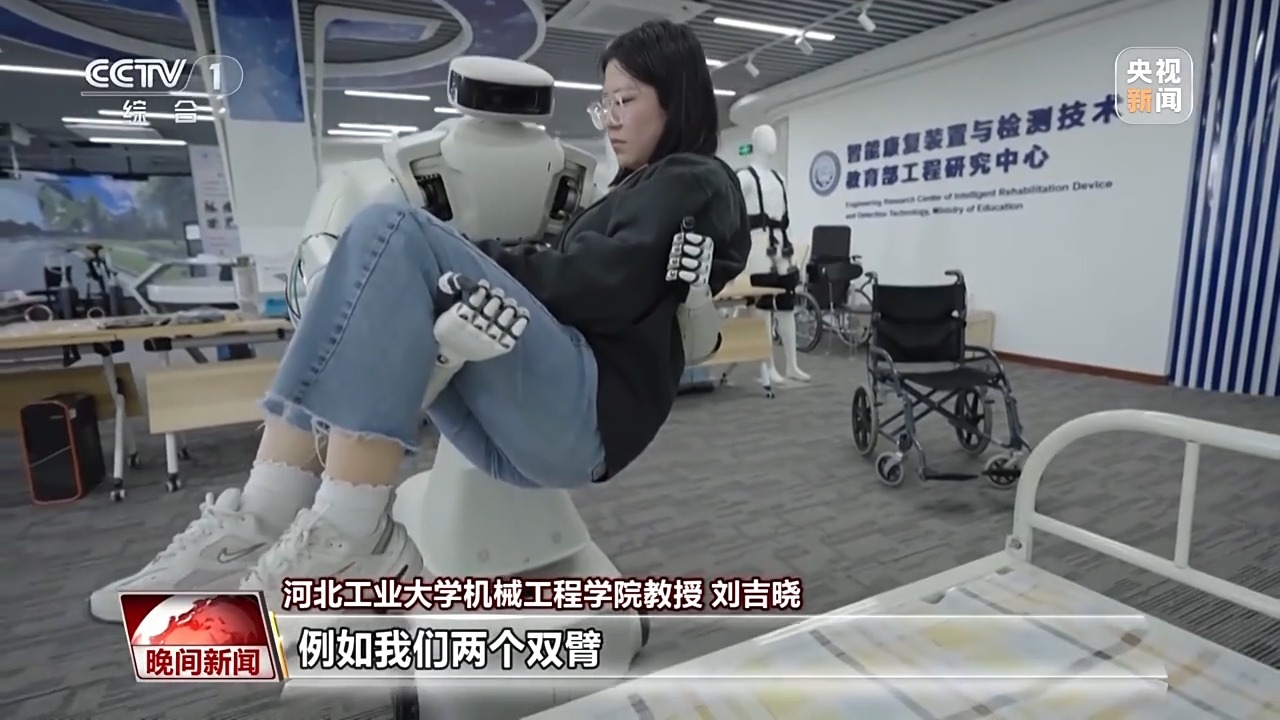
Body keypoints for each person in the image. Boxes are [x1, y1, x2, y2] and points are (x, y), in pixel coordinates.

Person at [89, 19, 751, 621]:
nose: (610, 119)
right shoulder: (627, 186)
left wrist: (464, 255)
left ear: (676, 98)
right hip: (538, 423)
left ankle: (343, 526)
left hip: (587, 408)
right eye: (604, 103)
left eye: (625, 100)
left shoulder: (691, 178)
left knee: (389, 230)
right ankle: (262, 517)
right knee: (375, 287)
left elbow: (599, 284)